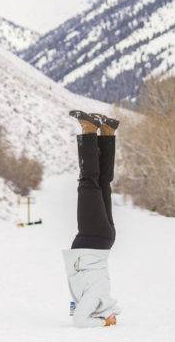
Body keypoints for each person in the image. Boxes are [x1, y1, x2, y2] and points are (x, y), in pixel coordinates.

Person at [62, 110, 121, 328]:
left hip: (104, 241)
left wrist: (81, 307)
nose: (114, 320)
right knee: (88, 182)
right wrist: (103, 324)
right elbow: (79, 321)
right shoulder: (97, 299)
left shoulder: (100, 298)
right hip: (92, 240)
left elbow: (74, 308)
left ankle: (107, 132)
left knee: (102, 183)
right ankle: (88, 129)